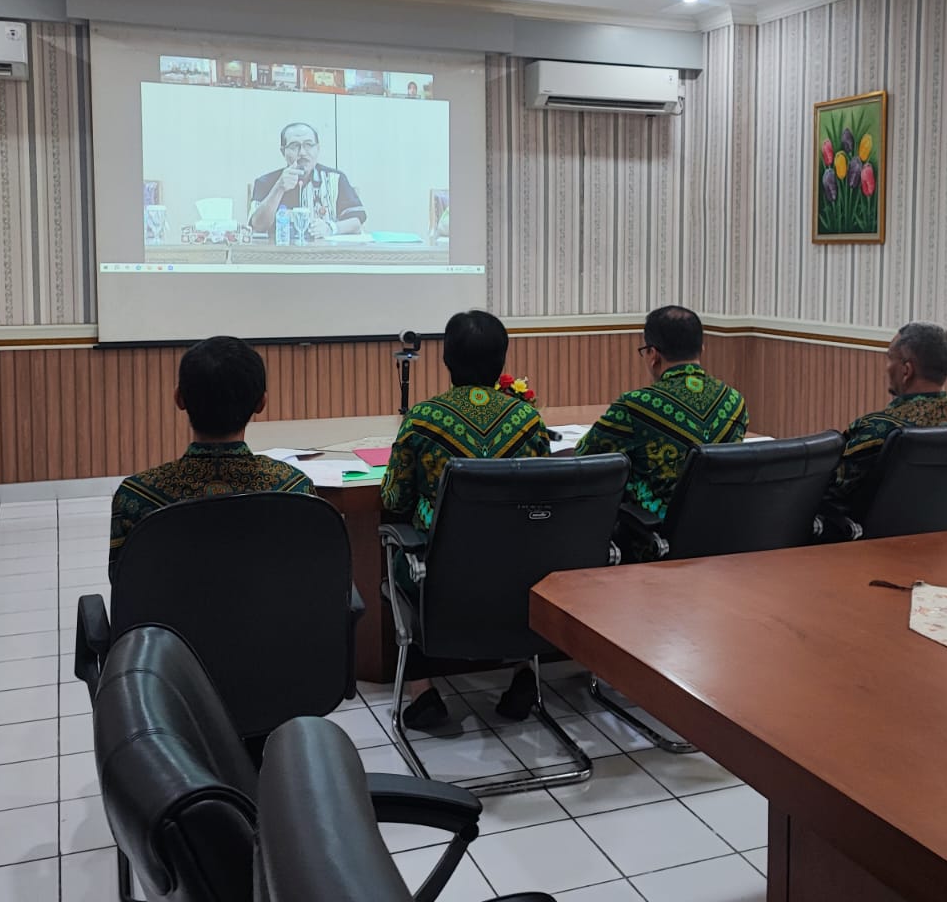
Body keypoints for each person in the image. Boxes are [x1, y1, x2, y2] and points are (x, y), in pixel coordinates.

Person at [380, 310, 550, 729]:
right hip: (520, 572)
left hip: (441, 576)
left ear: (446, 360)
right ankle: (522, 673)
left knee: (398, 552)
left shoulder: (421, 419)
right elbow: (547, 491)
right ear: (502, 362)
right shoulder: (527, 419)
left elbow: (393, 497)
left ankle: (424, 694)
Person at [108, 336, 313, 577]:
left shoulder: (135, 497)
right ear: (261, 403)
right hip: (279, 616)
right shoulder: (295, 490)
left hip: (169, 616)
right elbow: (313, 577)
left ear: (179, 398)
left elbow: (124, 586)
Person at [816, 321, 947, 540]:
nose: (887, 366)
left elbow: (828, 491)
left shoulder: (878, 429)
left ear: (906, 370)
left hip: (877, 548)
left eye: (890, 358)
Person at [576, 306, 748, 519]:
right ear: (702, 349)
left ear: (653, 354)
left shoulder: (635, 406)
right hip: (725, 530)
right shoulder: (735, 401)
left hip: (652, 537)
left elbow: (583, 458)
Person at [246, 122, 367, 239]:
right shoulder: (266, 182)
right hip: (279, 255)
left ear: (318, 149)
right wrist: (279, 188)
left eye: (309, 145)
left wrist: (330, 228)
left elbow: (356, 222)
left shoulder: (336, 179)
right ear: (283, 152)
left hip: (327, 255)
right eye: (294, 146)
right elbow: (258, 226)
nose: (302, 153)